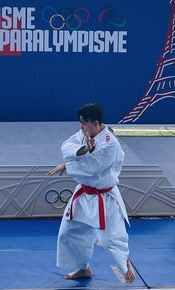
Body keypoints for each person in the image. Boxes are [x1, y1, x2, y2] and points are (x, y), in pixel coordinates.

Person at [48, 103, 135, 284]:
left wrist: (68, 165)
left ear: (96, 123)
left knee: (108, 240)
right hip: (83, 194)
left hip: (103, 197)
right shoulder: (85, 134)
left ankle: (125, 263)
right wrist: (84, 149)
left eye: (84, 124)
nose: (81, 128)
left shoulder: (111, 144)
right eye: (80, 124)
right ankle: (83, 268)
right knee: (69, 232)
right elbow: (68, 145)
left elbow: (92, 168)